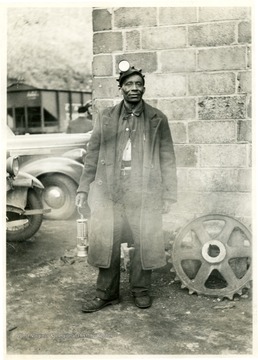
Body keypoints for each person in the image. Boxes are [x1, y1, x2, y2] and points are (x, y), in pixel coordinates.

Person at [76, 61, 177, 312]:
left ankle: (141, 291)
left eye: (139, 84)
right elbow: (92, 154)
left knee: (143, 240)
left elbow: (168, 159)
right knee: (107, 239)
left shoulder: (157, 119)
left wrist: (168, 194)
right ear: (120, 88)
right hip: (110, 189)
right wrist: (83, 188)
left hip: (144, 190)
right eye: (129, 84)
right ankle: (106, 294)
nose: (134, 88)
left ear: (144, 88)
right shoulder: (106, 117)